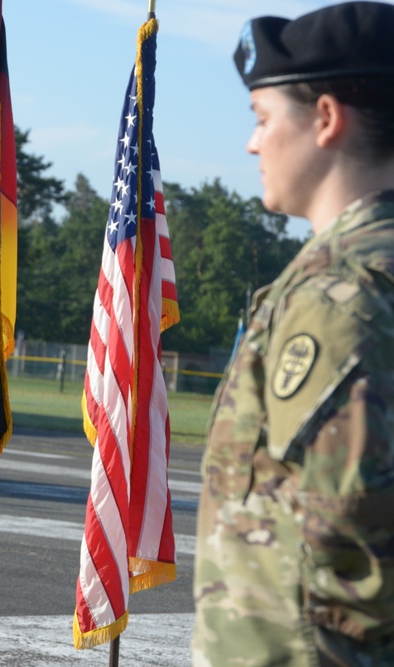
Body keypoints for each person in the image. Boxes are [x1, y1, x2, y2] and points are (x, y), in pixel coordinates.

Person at [192, 3, 394, 664]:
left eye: (261, 120)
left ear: (327, 118)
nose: (251, 143)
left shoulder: (339, 296)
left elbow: (345, 557)